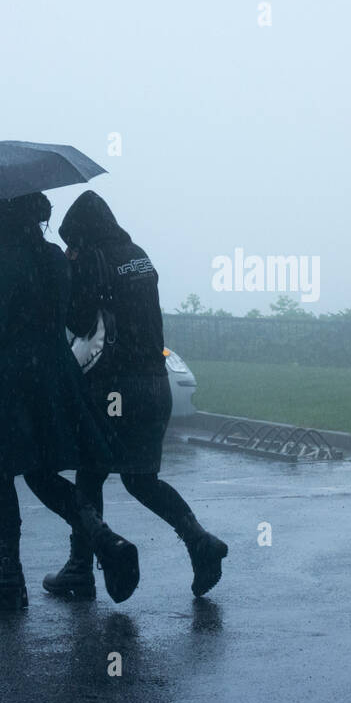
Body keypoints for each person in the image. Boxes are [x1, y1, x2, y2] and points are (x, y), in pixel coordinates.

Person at [42, 190, 228, 601]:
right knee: (142, 479)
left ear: (84, 235)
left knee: (90, 474)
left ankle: (81, 568)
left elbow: (78, 320)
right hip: (153, 382)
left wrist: (72, 272)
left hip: (114, 385)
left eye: (73, 240)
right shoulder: (138, 255)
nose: (71, 247)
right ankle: (200, 541)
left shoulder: (94, 259)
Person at [0, 192, 135, 611]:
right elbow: (71, 317)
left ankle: (7, 578)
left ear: (0, 215)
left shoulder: (2, 260)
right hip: (55, 372)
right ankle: (105, 541)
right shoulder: (56, 257)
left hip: (11, 378)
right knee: (40, 473)